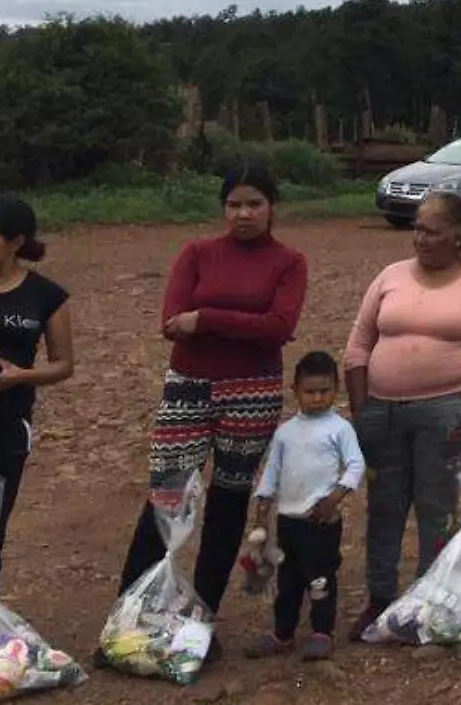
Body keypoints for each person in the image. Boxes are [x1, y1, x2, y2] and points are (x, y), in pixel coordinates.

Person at [116, 164, 307, 655]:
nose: (242, 214)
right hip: (189, 388)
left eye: (254, 204)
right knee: (167, 495)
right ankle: (132, 611)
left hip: (253, 391)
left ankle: (201, 617)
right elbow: (171, 324)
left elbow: (280, 327)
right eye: (233, 204)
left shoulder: (289, 262)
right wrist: (234, 322)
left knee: (228, 502)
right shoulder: (197, 253)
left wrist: (206, 318)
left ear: (272, 208)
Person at [344, 192, 461, 639]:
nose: (420, 237)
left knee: (436, 506)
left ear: (459, 236)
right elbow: (358, 347)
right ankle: (380, 598)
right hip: (381, 410)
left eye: (431, 230)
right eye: (417, 228)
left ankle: (430, 600)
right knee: (384, 507)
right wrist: (362, 412)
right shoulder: (390, 276)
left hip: (444, 411)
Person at [244, 351, 366, 661]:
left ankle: (321, 632)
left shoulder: (340, 429)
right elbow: (271, 473)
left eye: (324, 391)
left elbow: (355, 465)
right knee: (288, 580)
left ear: (335, 389)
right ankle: (283, 633)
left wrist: (333, 499)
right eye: (310, 392)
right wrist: (261, 515)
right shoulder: (285, 433)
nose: (317, 398)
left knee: (320, 577)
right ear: (295, 390)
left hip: (321, 522)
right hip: (289, 520)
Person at [0, 196, 76, 595]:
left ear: (15, 241)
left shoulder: (47, 295)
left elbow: (63, 364)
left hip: (6, 428)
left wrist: (21, 375)